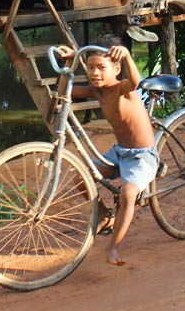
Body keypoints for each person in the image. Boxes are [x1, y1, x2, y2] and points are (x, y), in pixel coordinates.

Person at [56, 36, 157, 267]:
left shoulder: (123, 89)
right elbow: (65, 90)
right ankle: (104, 214)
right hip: (119, 152)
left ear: (116, 68)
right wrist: (68, 64)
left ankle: (113, 247)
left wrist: (128, 56)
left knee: (128, 194)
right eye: (90, 68)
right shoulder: (97, 92)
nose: (95, 73)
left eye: (101, 68)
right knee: (81, 178)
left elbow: (134, 80)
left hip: (142, 155)